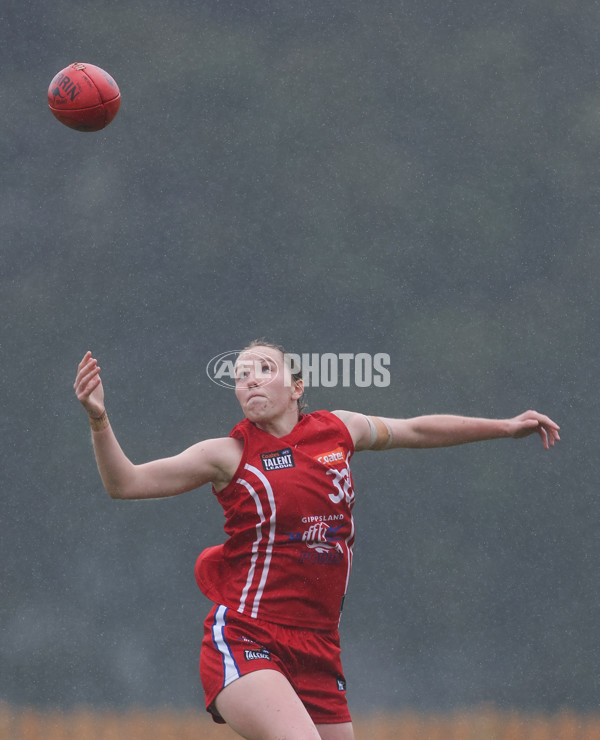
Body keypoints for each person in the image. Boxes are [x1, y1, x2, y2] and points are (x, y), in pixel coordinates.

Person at [74, 341, 560, 740]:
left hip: (318, 646)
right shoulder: (227, 455)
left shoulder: (338, 430)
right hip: (248, 636)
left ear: (296, 386)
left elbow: (417, 429)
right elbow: (126, 484)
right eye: (241, 377)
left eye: (264, 370)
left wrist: (503, 426)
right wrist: (99, 420)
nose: (250, 381)